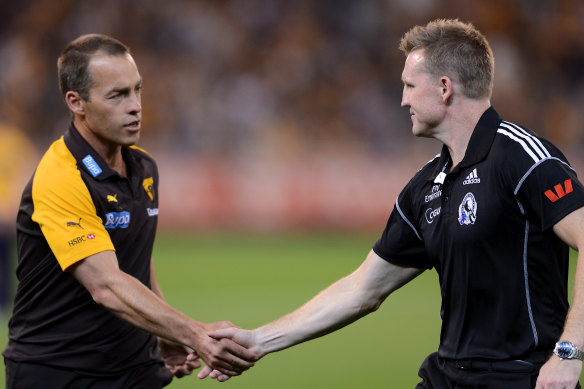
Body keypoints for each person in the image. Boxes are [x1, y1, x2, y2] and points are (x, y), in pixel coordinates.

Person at [203, 19, 584, 388]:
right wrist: (259, 340)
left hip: (520, 377)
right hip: (448, 376)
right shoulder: (425, 187)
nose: (402, 100)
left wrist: (569, 356)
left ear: (444, 87)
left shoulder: (521, 158)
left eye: (408, 85)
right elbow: (361, 289)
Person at [2, 34, 258, 389]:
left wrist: (162, 333)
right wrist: (194, 331)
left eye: (137, 90)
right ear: (76, 103)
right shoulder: (61, 177)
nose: (136, 105)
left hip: (136, 371)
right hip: (60, 373)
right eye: (118, 95)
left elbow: (134, 258)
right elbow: (106, 284)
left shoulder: (143, 168)